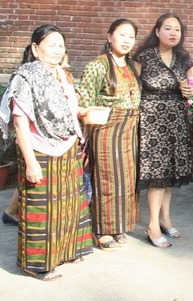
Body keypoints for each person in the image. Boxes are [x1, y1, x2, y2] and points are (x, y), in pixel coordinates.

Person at [0, 25, 93, 280]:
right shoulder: (26, 78)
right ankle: (36, 264)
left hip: (67, 148)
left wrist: (82, 114)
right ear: (35, 48)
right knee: (41, 210)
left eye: (61, 45)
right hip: (39, 150)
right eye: (51, 45)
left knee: (68, 204)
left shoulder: (62, 75)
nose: (57, 50)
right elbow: (20, 123)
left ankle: (65, 252)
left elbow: (68, 110)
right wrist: (30, 163)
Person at [133, 13, 193, 248]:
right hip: (152, 122)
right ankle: (152, 225)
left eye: (177, 29)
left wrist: (190, 93)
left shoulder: (183, 57)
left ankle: (165, 218)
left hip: (176, 121)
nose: (173, 33)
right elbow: (133, 89)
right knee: (157, 175)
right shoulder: (144, 56)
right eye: (168, 28)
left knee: (170, 174)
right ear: (157, 31)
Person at [77, 19, 141, 251]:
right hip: (106, 130)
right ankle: (101, 229)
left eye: (131, 36)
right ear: (109, 37)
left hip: (130, 129)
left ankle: (118, 225)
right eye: (122, 35)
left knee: (126, 178)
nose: (127, 40)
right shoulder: (98, 65)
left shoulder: (132, 66)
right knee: (106, 178)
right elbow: (84, 100)